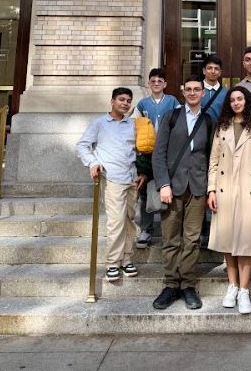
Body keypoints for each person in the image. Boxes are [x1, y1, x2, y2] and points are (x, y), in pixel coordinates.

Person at [152, 74, 213, 311]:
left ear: (203, 93)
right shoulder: (172, 116)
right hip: (172, 187)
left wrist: (210, 188)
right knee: (170, 239)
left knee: (192, 239)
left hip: (197, 187)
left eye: (197, 89)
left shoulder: (208, 120)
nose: (193, 93)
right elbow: (159, 153)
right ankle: (170, 284)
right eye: (189, 89)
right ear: (183, 92)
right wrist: (163, 184)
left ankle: (187, 284)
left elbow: (211, 156)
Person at [207, 87, 251, 314]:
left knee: (246, 241)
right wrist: (211, 190)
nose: (236, 103)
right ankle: (232, 286)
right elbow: (213, 161)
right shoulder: (222, 127)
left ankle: (244, 290)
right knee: (227, 240)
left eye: (240, 99)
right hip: (224, 189)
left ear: (246, 101)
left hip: (249, 190)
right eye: (232, 100)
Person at [77, 87, 145, 282]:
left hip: (132, 179)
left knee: (130, 220)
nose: (125, 103)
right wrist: (93, 162)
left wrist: (143, 172)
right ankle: (113, 263)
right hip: (112, 179)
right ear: (112, 101)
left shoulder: (133, 124)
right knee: (116, 222)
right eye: (121, 100)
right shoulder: (99, 123)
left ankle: (127, 259)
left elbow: (140, 150)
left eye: (128, 101)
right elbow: (82, 145)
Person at [133, 68, 180, 249]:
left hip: (167, 152)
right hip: (147, 154)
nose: (156, 83)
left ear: (165, 84)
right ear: (149, 83)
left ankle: (171, 230)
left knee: (168, 189)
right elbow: (134, 125)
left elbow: (180, 122)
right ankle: (146, 229)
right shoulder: (142, 104)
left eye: (160, 80)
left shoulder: (173, 101)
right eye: (153, 80)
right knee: (146, 190)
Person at [201, 54, 228, 121]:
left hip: (219, 127)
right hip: (199, 127)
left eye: (216, 69)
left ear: (220, 72)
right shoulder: (196, 90)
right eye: (209, 68)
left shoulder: (226, 93)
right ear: (204, 71)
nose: (213, 71)